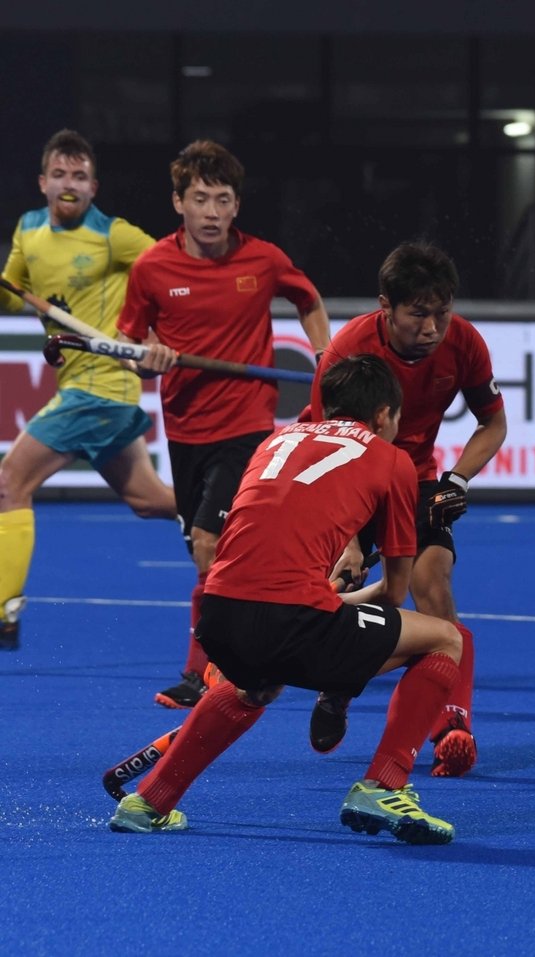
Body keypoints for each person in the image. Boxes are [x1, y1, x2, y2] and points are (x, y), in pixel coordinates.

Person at [107, 354, 464, 844]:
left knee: (253, 685)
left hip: (218, 614)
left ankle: (148, 801)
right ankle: (384, 785)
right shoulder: (395, 460)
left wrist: (326, 591)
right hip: (294, 621)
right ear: (383, 416)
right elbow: (395, 593)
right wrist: (346, 594)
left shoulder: (277, 439)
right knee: (445, 638)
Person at [117, 140, 331, 709]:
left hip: (247, 427)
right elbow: (131, 340)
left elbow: (306, 298)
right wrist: (149, 353)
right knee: (207, 554)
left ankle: (204, 672)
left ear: (237, 206)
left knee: (212, 544)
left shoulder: (262, 259)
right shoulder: (152, 267)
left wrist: (324, 356)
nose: (211, 212)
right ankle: (263, 644)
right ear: (178, 203)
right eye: (200, 199)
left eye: (223, 200)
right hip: (185, 430)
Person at [305, 241, 506, 777]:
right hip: (345, 478)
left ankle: (452, 726)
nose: (433, 327)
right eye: (418, 314)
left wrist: (457, 479)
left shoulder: (463, 342)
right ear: (385, 307)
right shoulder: (347, 351)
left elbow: (493, 423)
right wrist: (348, 538)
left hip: (414, 481)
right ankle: (338, 687)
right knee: (341, 598)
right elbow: (324, 444)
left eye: (442, 312)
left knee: (434, 588)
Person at [0, 130, 171, 651]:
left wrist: (155, 333)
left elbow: (171, 269)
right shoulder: (29, 230)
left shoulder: (114, 235)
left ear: (93, 187)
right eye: (59, 175)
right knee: (150, 500)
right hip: (85, 390)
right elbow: (11, 297)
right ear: (43, 183)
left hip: (101, 387)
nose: (68, 184)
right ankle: (237, 509)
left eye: (79, 177)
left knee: (10, 482)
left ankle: (4, 609)